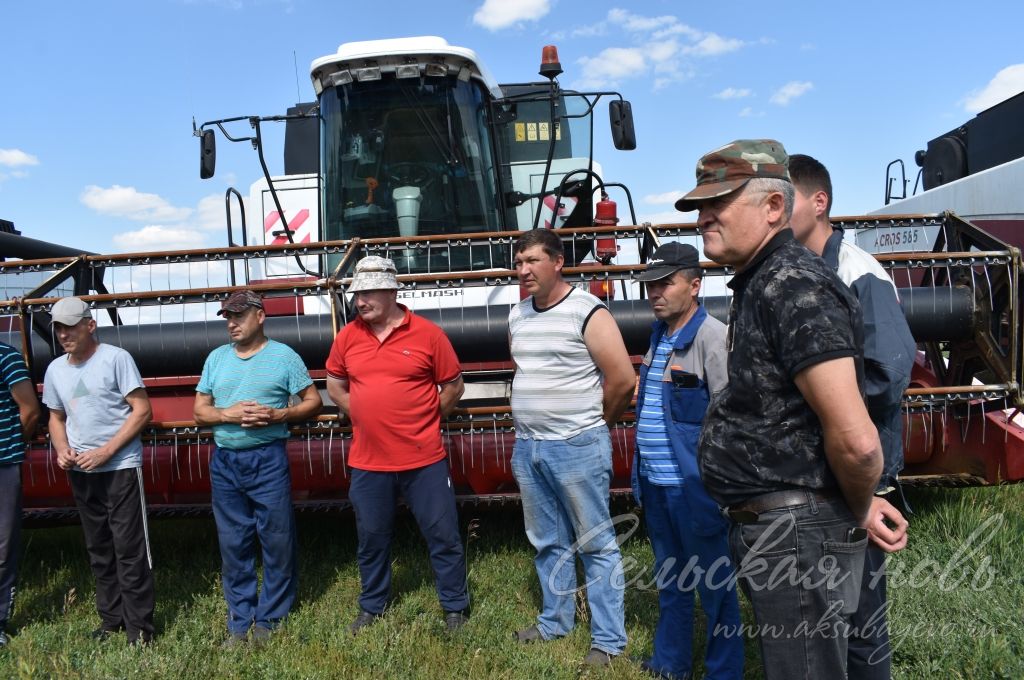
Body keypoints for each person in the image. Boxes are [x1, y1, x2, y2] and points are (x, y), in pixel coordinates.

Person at [677, 140, 883, 679]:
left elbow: (857, 440)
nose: (703, 218)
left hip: (795, 533)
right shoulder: (763, 282)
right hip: (783, 530)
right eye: (699, 207)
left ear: (774, 207)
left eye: (718, 202)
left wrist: (858, 507)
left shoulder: (793, 285)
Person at [789, 153, 914, 678]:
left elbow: (887, 371)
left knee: (859, 618)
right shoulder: (799, 273)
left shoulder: (857, 272)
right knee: (814, 617)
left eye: (783, 198)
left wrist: (813, 411)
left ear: (819, 203)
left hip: (855, 476)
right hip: (817, 475)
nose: (772, 211)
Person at [508, 228, 636, 668]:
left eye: (533, 261)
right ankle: (554, 622)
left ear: (559, 262)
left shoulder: (588, 311)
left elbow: (622, 379)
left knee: (596, 544)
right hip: (529, 446)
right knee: (547, 542)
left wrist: (597, 425)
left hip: (576, 445)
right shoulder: (518, 314)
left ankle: (608, 640)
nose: (523, 270)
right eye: (519, 262)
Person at [324, 256, 470, 635]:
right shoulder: (347, 337)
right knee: (372, 539)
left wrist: (426, 419)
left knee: (443, 535)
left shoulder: (428, 335)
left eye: (367, 292)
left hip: (424, 460)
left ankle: (455, 607)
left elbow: (453, 386)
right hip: (369, 462)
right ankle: (372, 605)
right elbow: (334, 384)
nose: (359, 301)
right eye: (356, 294)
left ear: (391, 290)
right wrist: (357, 411)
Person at [631, 242, 743, 680]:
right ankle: (670, 664)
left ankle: (724, 672)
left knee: (715, 587)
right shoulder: (659, 336)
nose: (655, 293)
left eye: (665, 283)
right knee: (671, 581)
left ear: (695, 285)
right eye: (650, 286)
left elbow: (729, 416)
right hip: (658, 485)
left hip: (695, 490)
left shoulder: (712, 337)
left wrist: (720, 488)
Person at [193, 290, 322, 647]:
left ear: (260, 317)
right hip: (225, 461)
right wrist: (227, 415)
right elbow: (199, 411)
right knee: (233, 542)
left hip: (267, 457)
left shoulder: (284, 357)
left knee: (276, 539)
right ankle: (240, 620)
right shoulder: (216, 359)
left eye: (238, 316)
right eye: (227, 318)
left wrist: (281, 414)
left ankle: (270, 618)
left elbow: (313, 401)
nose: (231, 323)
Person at [42, 297, 155, 646]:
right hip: (82, 472)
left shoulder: (116, 359)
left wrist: (107, 451)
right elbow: (56, 417)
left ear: (90, 325)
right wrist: (62, 450)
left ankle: (140, 629)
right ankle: (111, 621)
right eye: (58, 328)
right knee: (99, 548)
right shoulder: (55, 370)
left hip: (120, 467)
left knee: (129, 548)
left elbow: (142, 410)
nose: (63, 334)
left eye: (70, 326)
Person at [0, 342, 40, 648]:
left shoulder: (7, 355)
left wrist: (12, 447)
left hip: (3, 465)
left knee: (2, 549)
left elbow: (28, 409)